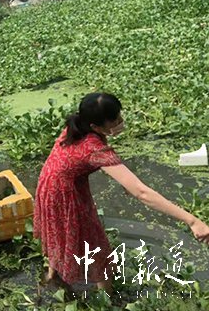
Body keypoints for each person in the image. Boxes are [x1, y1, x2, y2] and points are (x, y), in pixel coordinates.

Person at [34, 93, 209, 292]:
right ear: (95, 127)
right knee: (97, 249)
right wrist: (192, 221)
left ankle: (51, 277)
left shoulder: (76, 126)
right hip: (64, 195)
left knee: (58, 232)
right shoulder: (95, 150)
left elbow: (75, 162)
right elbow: (142, 192)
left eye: (119, 116)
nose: (120, 122)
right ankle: (107, 298)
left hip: (48, 183)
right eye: (114, 121)